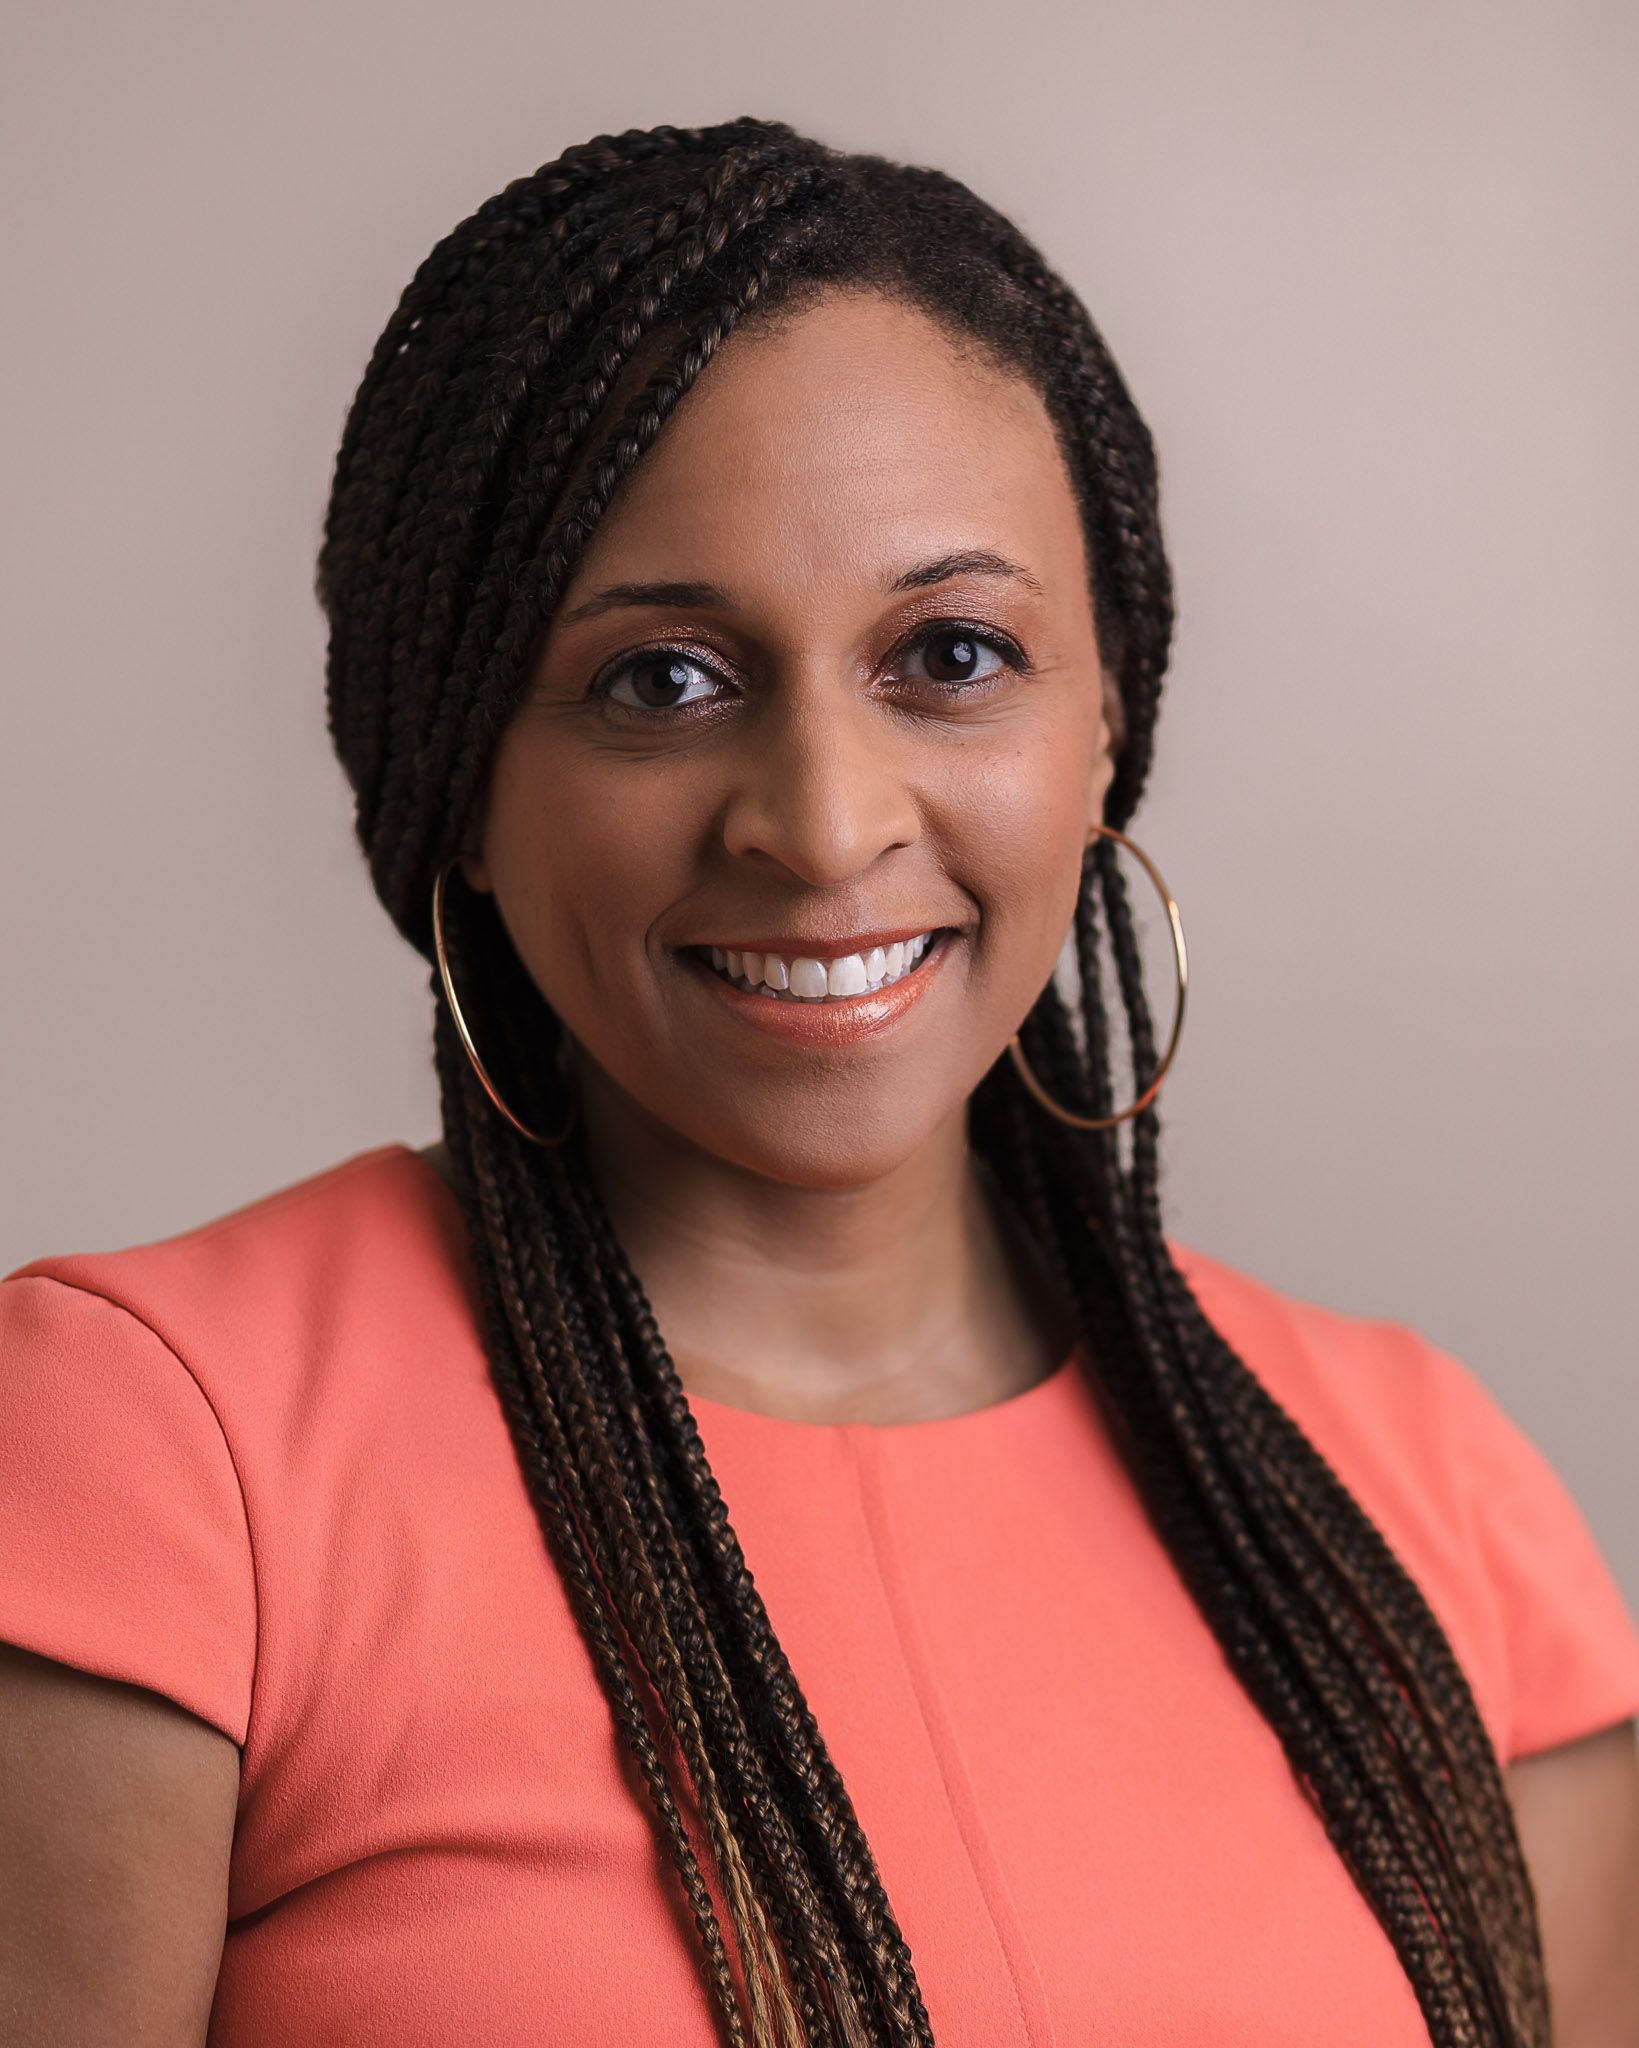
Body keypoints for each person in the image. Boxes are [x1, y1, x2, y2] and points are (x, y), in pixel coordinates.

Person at [3, 115, 1637, 2048]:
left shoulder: (1422, 1495)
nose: (823, 821)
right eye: (663, 682)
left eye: (951, 652)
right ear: (460, 783)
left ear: (1107, 719)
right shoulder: (151, 1467)